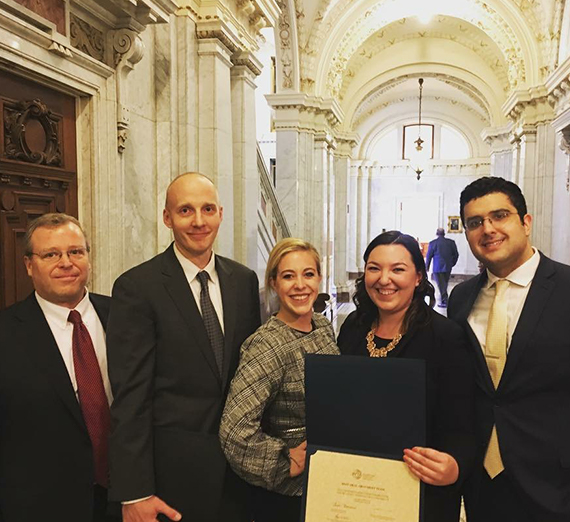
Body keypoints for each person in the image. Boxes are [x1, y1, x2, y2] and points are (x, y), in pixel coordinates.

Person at [107, 173, 261, 522]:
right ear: (167, 218)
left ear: (220, 213)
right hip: (173, 480)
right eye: (185, 210)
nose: (198, 221)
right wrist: (134, 491)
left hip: (239, 476)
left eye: (207, 209)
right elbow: (130, 397)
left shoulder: (243, 281)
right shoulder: (137, 287)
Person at [448, 176, 570, 522]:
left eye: (499, 216)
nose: (487, 229)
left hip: (556, 481)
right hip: (482, 480)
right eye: (475, 222)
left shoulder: (566, 289)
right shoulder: (462, 297)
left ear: (525, 222)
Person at [337, 230, 476, 522]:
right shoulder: (353, 326)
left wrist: (455, 465)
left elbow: (465, 419)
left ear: (417, 277)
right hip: (356, 483)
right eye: (374, 268)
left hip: (420, 487)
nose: (384, 279)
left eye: (398, 269)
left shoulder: (444, 336)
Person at [0, 213, 119, 522]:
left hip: (124, 501)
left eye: (75, 252)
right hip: (41, 506)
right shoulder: (6, 333)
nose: (66, 262)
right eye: (51, 254)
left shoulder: (125, 315)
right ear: (28, 264)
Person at [219, 238, 339, 522]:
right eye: (288, 276)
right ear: (273, 283)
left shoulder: (322, 326)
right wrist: (284, 460)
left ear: (319, 278)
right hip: (286, 497)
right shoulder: (266, 344)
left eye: (308, 274)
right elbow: (234, 431)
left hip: (326, 481)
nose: (300, 285)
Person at [426, 227, 458, 307]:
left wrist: (426, 268)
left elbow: (429, 256)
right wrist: (452, 263)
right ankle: (444, 300)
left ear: (437, 233)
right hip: (447, 267)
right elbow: (456, 254)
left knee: (441, 285)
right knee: (444, 284)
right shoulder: (450, 242)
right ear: (444, 233)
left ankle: (445, 301)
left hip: (437, 267)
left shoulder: (433, 243)